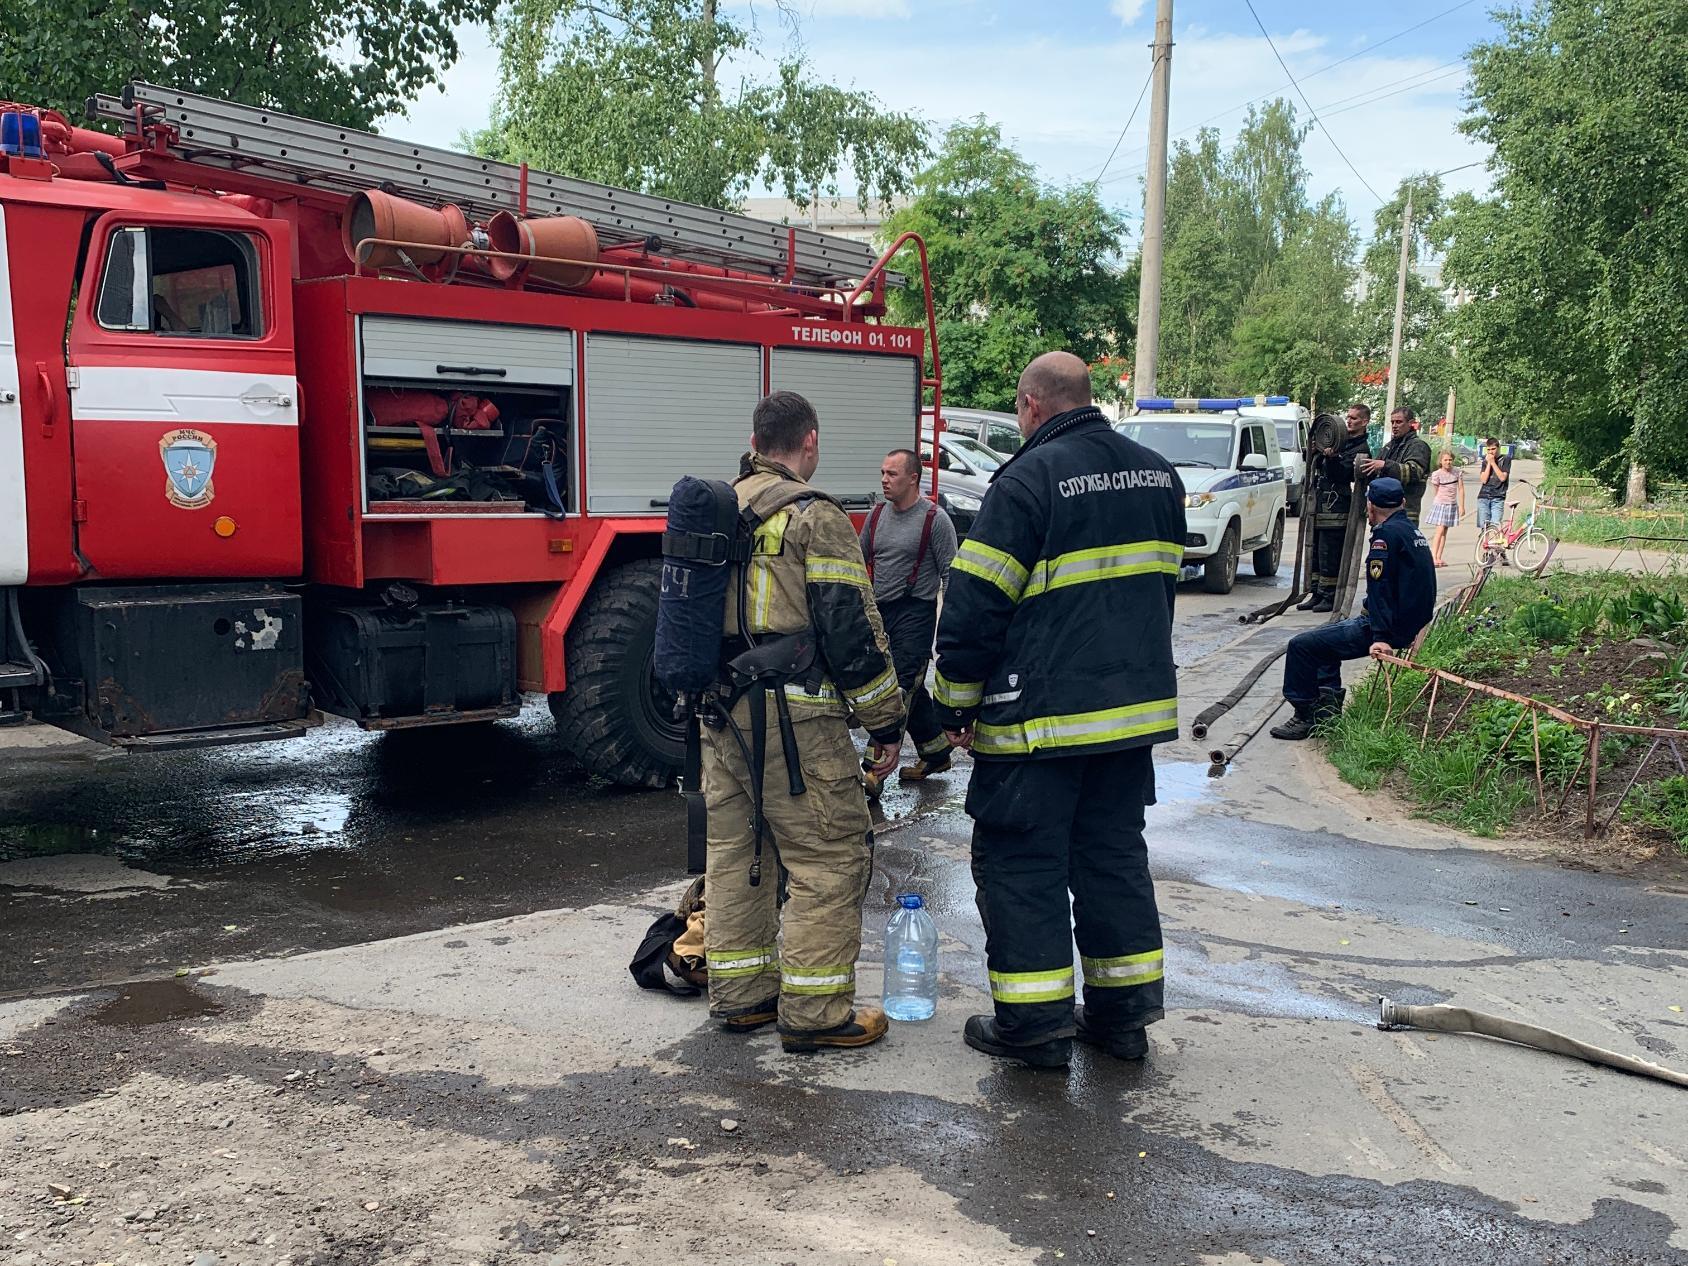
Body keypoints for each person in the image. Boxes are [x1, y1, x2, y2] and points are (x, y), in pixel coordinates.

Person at [932, 351, 1185, 1070]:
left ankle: (1036, 1028)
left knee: (1021, 865)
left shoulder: (1028, 479)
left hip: (1041, 724)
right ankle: (1123, 1022)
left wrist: (953, 704)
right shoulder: (1156, 474)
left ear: (1031, 407)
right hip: (1129, 720)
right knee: (1112, 862)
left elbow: (978, 604)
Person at [700, 390, 904, 1053]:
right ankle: (816, 1016)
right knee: (828, 856)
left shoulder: (716, 509)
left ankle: (741, 997)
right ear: (808, 442)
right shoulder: (818, 519)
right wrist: (885, 723)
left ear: (755, 438)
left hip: (720, 717)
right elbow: (851, 630)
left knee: (737, 853)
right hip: (797, 722)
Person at [1270, 477, 1436, 741]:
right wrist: (1419, 625)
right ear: (1402, 503)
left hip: (1383, 627)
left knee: (1301, 646)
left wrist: (1380, 638)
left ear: (1370, 506)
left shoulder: (1385, 537)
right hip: (1405, 624)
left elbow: (1380, 592)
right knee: (1323, 646)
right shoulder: (1412, 532)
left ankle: (1304, 715)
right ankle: (1326, 717)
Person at [860, 448, 960, 797]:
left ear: (913, 478)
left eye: (892, 474)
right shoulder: (876, 517)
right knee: (911, 691)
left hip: (916, 614)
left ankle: (874, 771)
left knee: (899, 688)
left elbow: (951, 572)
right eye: (883, 473)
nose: (884, 480)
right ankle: (935, 753)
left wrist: (949, 621)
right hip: (881, 613)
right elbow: (860, 565)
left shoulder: (935, 519)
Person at [1298, 403, 1373, 612]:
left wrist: (1332, 459)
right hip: (1320, 502)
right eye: (1348, 417)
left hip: (1338, 506)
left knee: (1329, 552)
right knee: (1315, 551)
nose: (1349, 421)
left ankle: (1329, 596)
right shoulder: (1339, 440)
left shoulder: (1361, 449)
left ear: (1365, 422)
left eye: (1354, 418)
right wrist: (1315, 449)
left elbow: (1343, 473)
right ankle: (1316, 593)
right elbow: (1312, 461)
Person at [1359, 407, 1433, 525]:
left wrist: (1385, 465)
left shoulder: (1418, 446)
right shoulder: (1389, 447)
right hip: (1382, 513)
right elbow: (1377, 476)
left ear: (1410, 423)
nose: (1394, 425)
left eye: (1399, 422)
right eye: (1392, 422)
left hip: (1405, 513)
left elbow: (1414, 472)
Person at [1425, 449, 1464, 567]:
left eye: (1450, 460)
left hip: (1451, 505)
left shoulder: (1457, 472)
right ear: (1441, 461)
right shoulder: (1437, 474)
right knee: (1440, 530)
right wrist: (1439, 501)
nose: (1448, 462)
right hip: (1441, 504)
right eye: (1445, 460)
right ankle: (1433, 557)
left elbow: (1461, 489)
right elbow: (1436, 490)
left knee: (1445, 532)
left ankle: (1439, 557)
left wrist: (1462, 506)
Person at [1476, 437, 1511, 534]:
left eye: (1493, 449)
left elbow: (1502, 477)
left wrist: (1493, 462)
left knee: (1496, 525)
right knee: (1485, 527)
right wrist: (1488, 464)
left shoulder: (1505, 459)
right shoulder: (1485, 461)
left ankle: (1495, 547)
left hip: (1498, 497)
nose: (1491, 452)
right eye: (1488, 449)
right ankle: (1485, 547)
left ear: (1498, 448)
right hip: (1484, 497)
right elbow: (1483, 479)